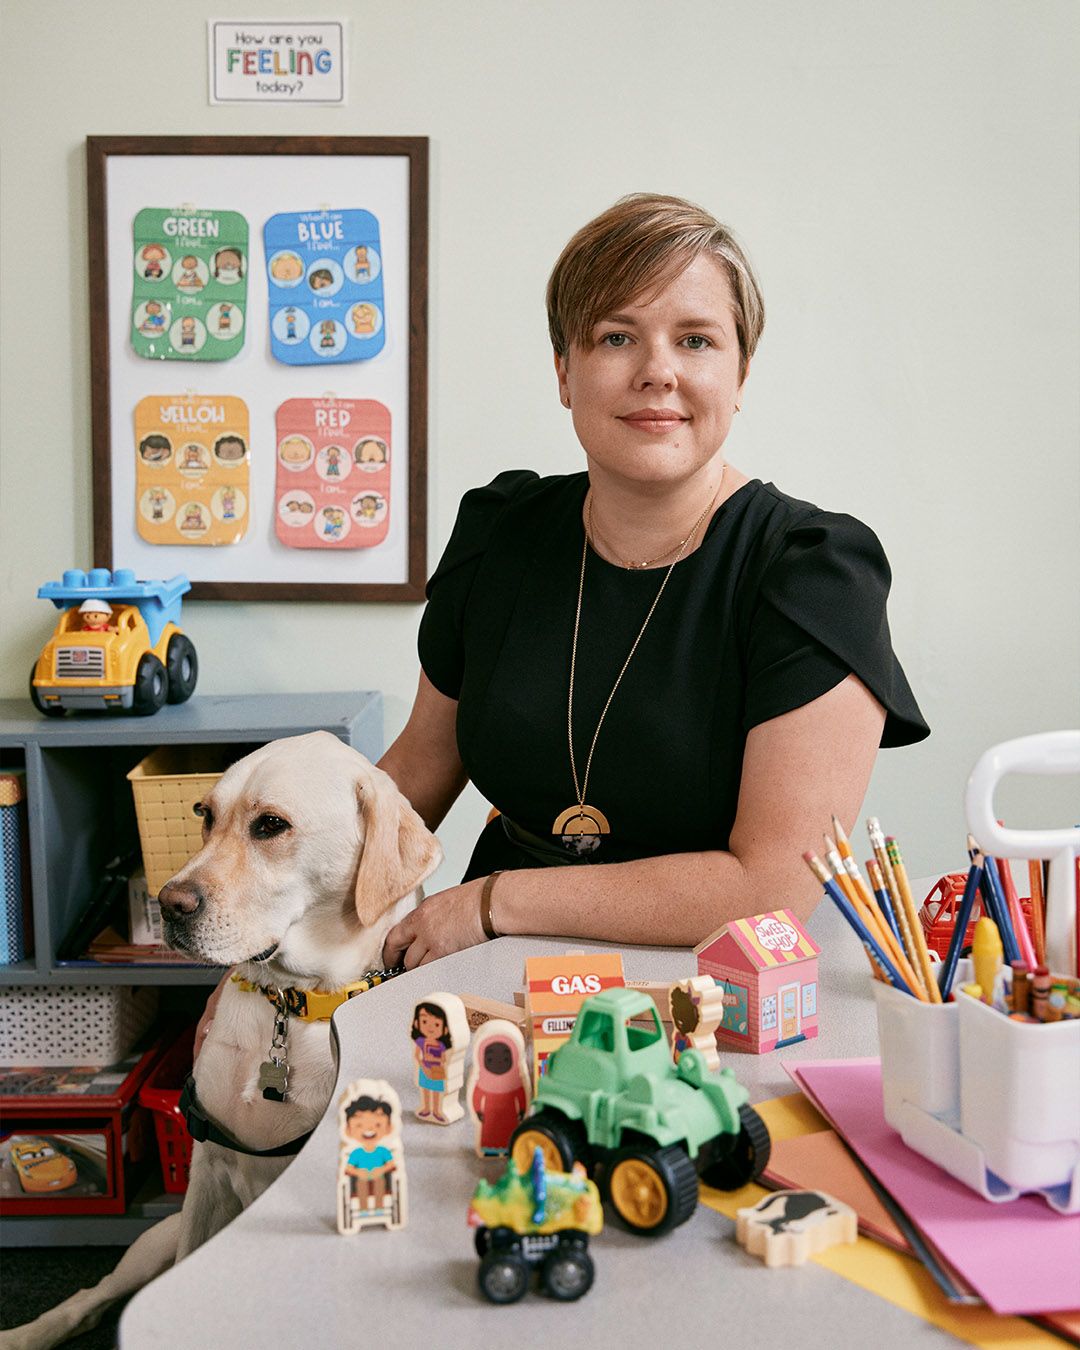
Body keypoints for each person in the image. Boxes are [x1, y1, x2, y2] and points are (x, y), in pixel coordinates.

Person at [379, 192, 929, 972]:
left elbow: (772, 886)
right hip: (486, 967)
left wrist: (495, 901)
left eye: (696, 340)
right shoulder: (503, 532)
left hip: (709, 981)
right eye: (616, 336)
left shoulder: (813, 571)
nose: (658, 372)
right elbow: (410, 781)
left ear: (740, 374)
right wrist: (269, 939)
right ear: (565, 370)